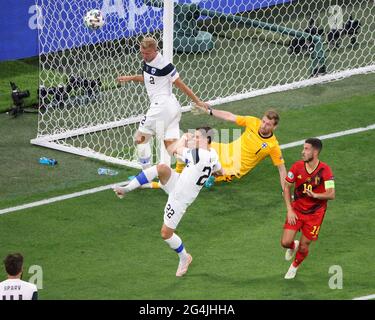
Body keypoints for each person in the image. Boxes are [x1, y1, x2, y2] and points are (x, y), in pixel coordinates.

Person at [113, 127, 223, 277]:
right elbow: (219, 170)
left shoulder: (197, 154)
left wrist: (184, 138)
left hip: (179, 199)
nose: (194, 139)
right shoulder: (213, 154)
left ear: (207, 140)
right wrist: (212, 174)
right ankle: (126, 189)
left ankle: (185, 258)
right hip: (178, 182)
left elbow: (172, 149)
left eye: (198, 137)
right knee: (162, 168)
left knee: (165, 234)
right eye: (194, 136)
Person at [117, 37, 209, 170]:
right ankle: (203, 163)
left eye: (147, 53)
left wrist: (198, 101)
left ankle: (146, 173)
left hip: (162, 107)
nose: (144, 56)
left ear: (156, 50)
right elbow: (150, 79)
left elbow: (180, 84)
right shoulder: (147, 62)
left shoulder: (164, 65)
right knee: (172, 148)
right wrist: (131, 77)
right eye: (142, 53)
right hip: (171, 107)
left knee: (140, 138)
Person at [193, 105, 287, 189]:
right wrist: (209, 111)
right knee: (195, 143)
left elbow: (282, 169)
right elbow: (230, 116)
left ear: (274, 127)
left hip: (235, 167)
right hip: (227, 150)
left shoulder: (273, 146)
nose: (263, 126)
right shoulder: (253, 122)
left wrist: (285, 191)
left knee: (202, 174)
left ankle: (211, 176)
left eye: (268, 124)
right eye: (263, 121)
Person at [281, 138, 335, 279]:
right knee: (285, 242)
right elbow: (287, 187)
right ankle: (294, 246)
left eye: (306, 149)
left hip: (315, 214)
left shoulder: (325, 170)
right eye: (303, 148)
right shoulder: (297, 167)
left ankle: (294, 266)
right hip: (297, 210)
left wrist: (316, 195)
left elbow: (331, 194)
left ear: (315, 152)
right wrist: (289, 210)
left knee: (304, 246)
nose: (302, 152)